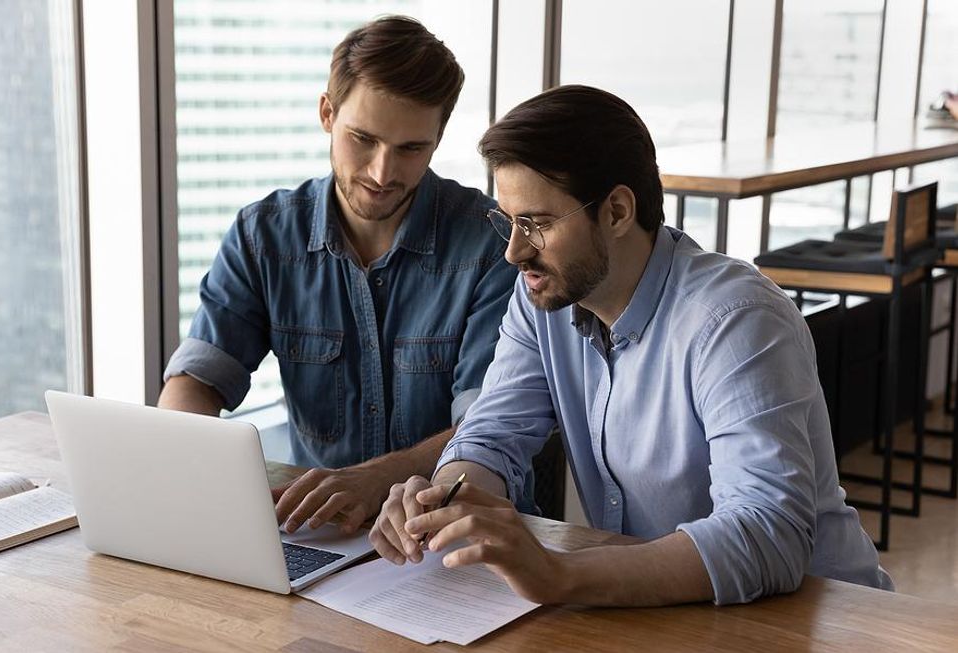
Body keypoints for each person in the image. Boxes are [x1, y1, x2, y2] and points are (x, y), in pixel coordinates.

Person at [369, 85, 894, 607]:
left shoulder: (737, 322)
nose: (513, 251)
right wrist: (443, 499)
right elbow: (492, 435)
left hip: (823, 619)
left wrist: (561, 574)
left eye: (536, 223)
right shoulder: (541, 300)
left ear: (617, 211)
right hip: (668, 611)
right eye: (508, 222)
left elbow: (766, 535)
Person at [159, 16, 516, 536]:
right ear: (327, 113)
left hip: (447, 535)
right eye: (363, 138)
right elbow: (196, 381)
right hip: (318, 532)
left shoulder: (492, 247)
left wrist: (378, 479)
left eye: (411, 148)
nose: (381, 172)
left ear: (438, 139)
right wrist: (195, 468)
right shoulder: (263, 237)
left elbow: (487, 427)